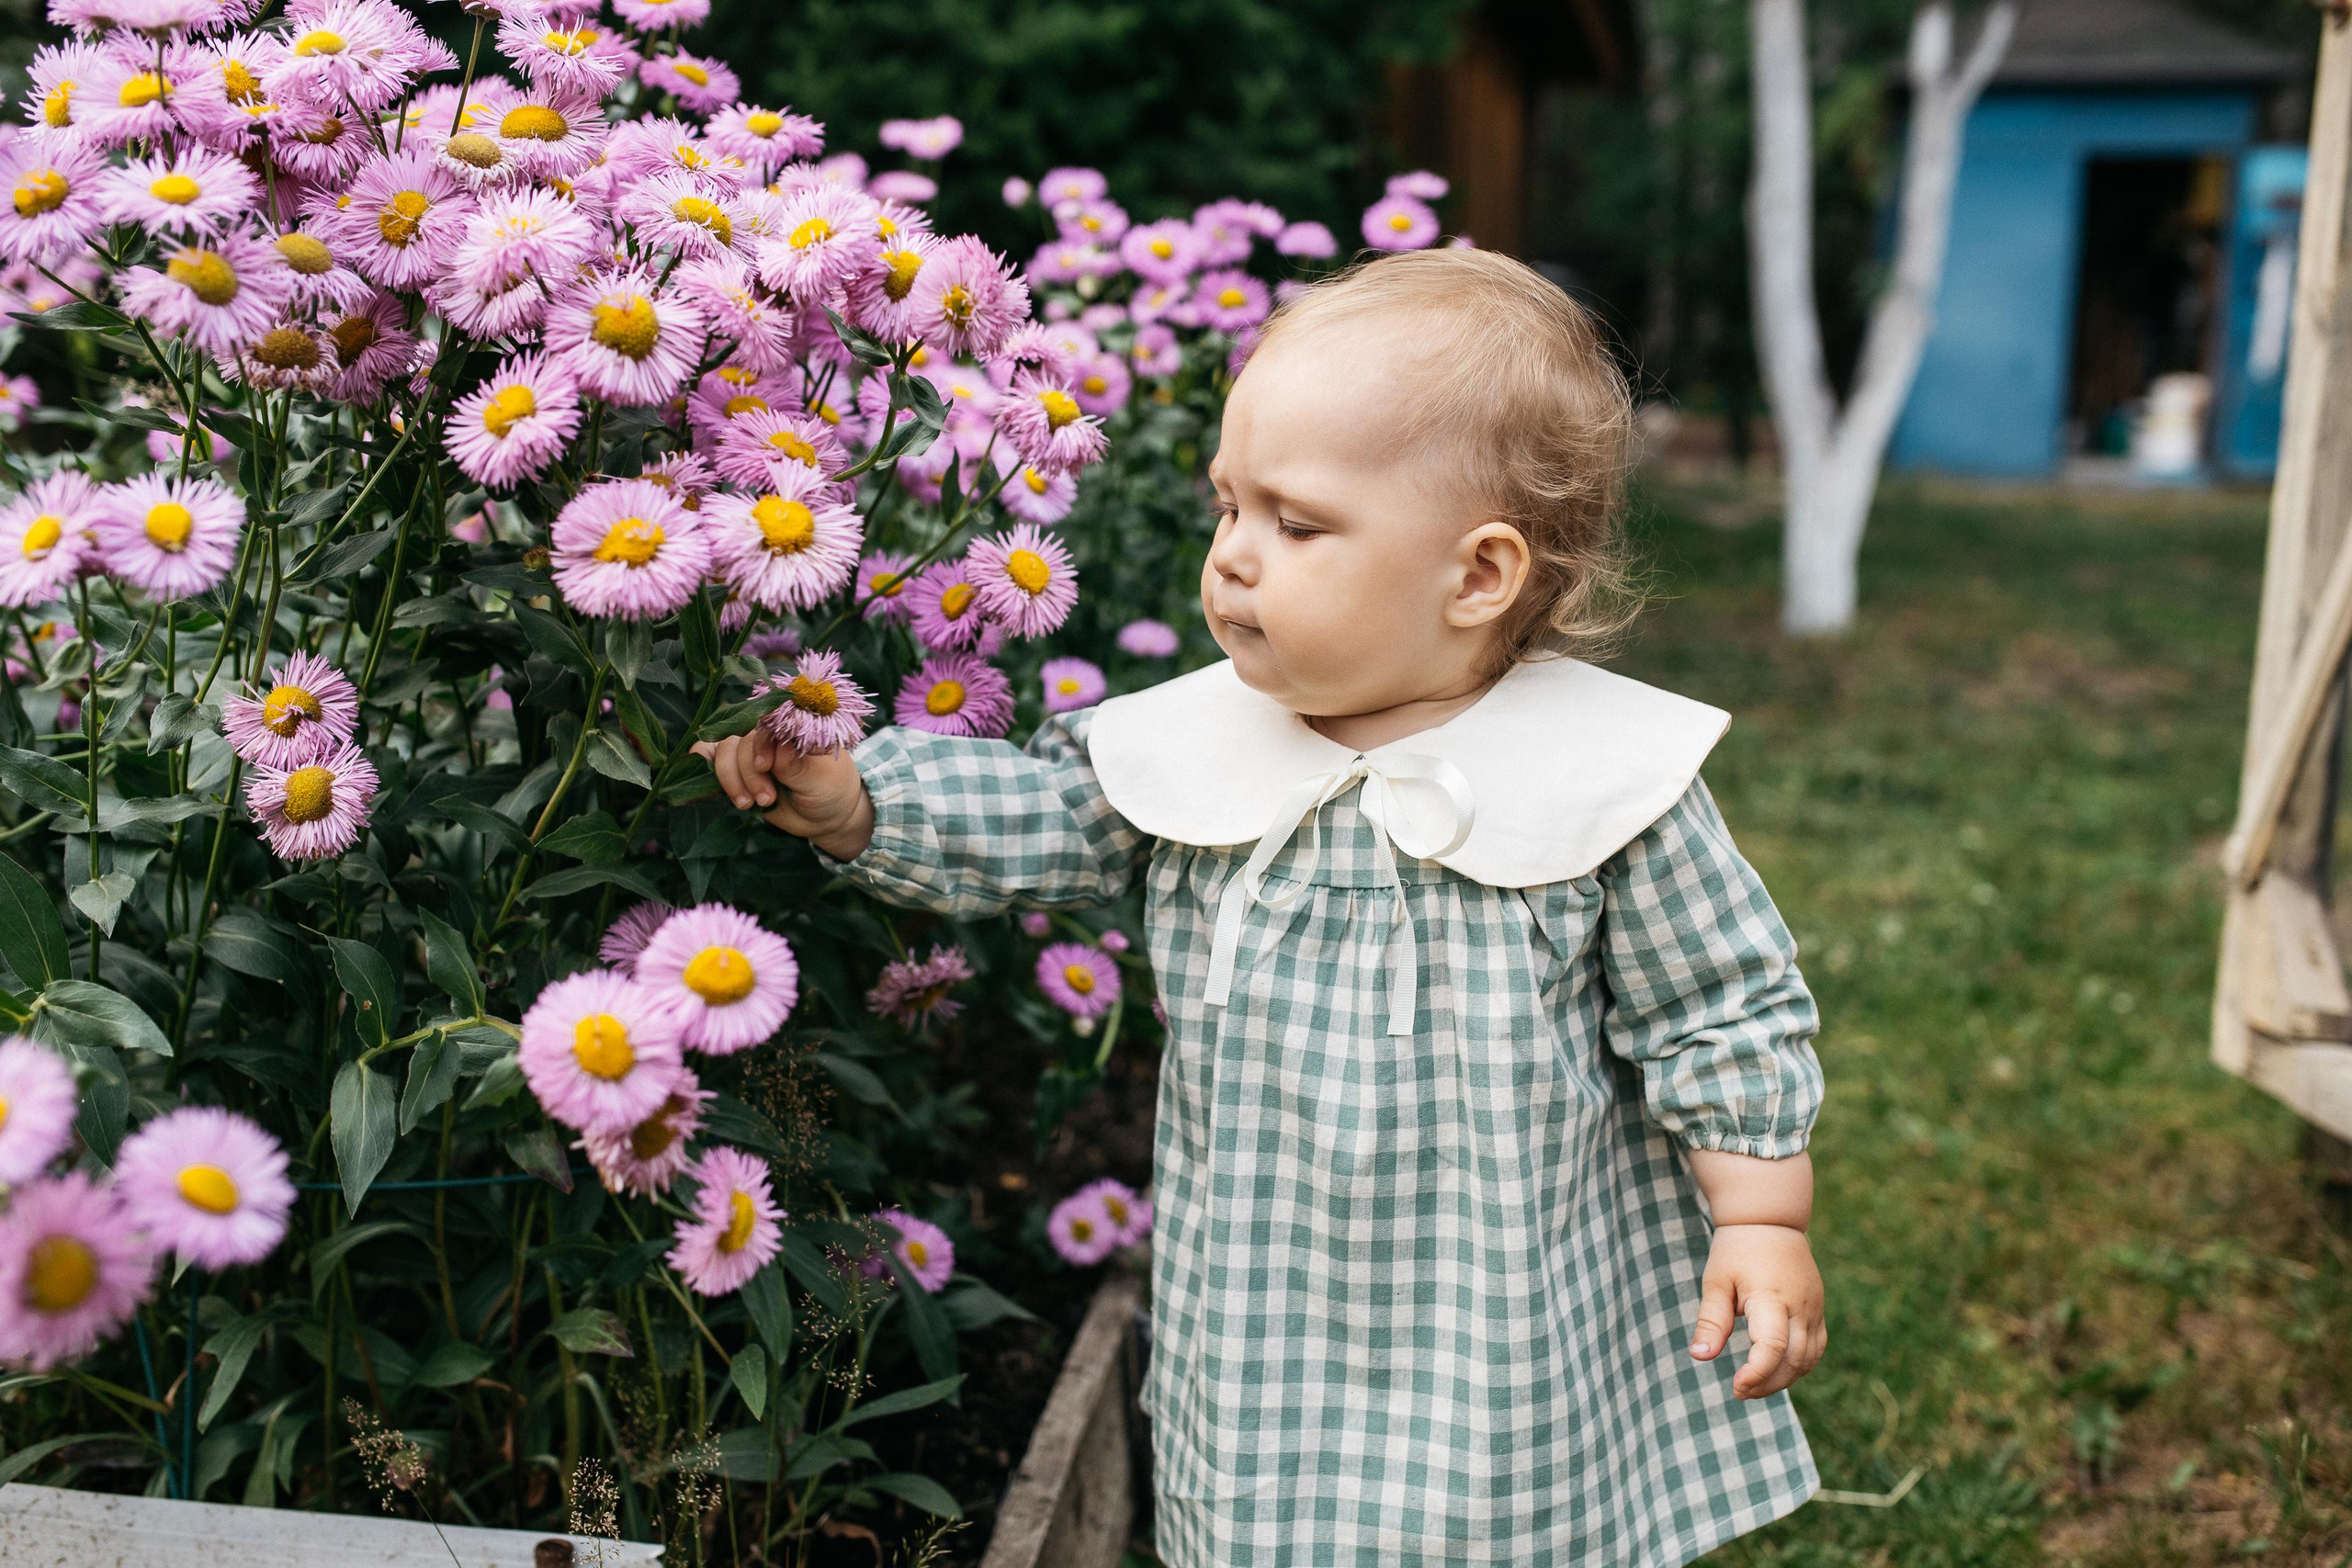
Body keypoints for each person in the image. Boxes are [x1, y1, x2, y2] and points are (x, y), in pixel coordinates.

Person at [698, 247, 1826, 1566]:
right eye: (1229, 508)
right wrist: (859, 806)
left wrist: (1758, 1216)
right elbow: (1044, 819)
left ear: (1477, 577)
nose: (1232, 559)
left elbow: (1721, 1004)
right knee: (1264, 1517)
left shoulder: (1603, 784)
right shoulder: (1200, 749)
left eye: (1294, 525)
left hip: (1507, 1283)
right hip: (1268, 1284)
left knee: (1506, 1515)